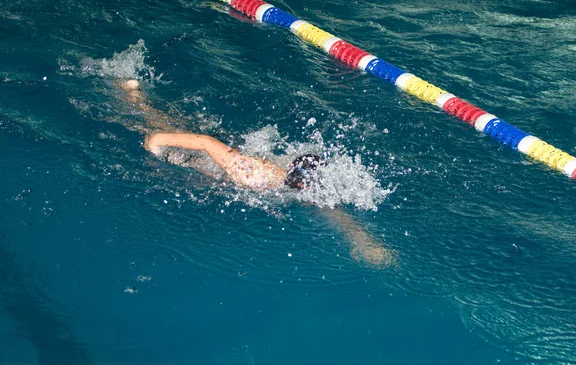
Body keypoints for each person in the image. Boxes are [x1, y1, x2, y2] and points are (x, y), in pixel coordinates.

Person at [121, 79, 393, 267]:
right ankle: (135, 100)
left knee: (182, 124)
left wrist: (363, 242)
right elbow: (205, 143)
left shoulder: (299, 186)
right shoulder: (256, 175)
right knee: (157, 125)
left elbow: (336, 214)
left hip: (228, 154)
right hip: (199, 159)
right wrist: (156, 140)